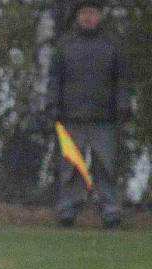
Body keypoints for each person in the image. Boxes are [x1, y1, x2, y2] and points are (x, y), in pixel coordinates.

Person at [46, 0, 131, 228]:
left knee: (106, 167)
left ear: (100, 16)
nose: (88, 17)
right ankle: (67, 211)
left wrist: (123, 106)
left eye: (92, 13)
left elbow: (122, 81)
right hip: (71, 118)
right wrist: (52, 106)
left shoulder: (112, 46)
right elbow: (54, 80)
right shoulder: (65, 46)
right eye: (84, 13)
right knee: (70, 168)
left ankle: (111, 211)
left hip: (106, 119)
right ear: (77, 17)